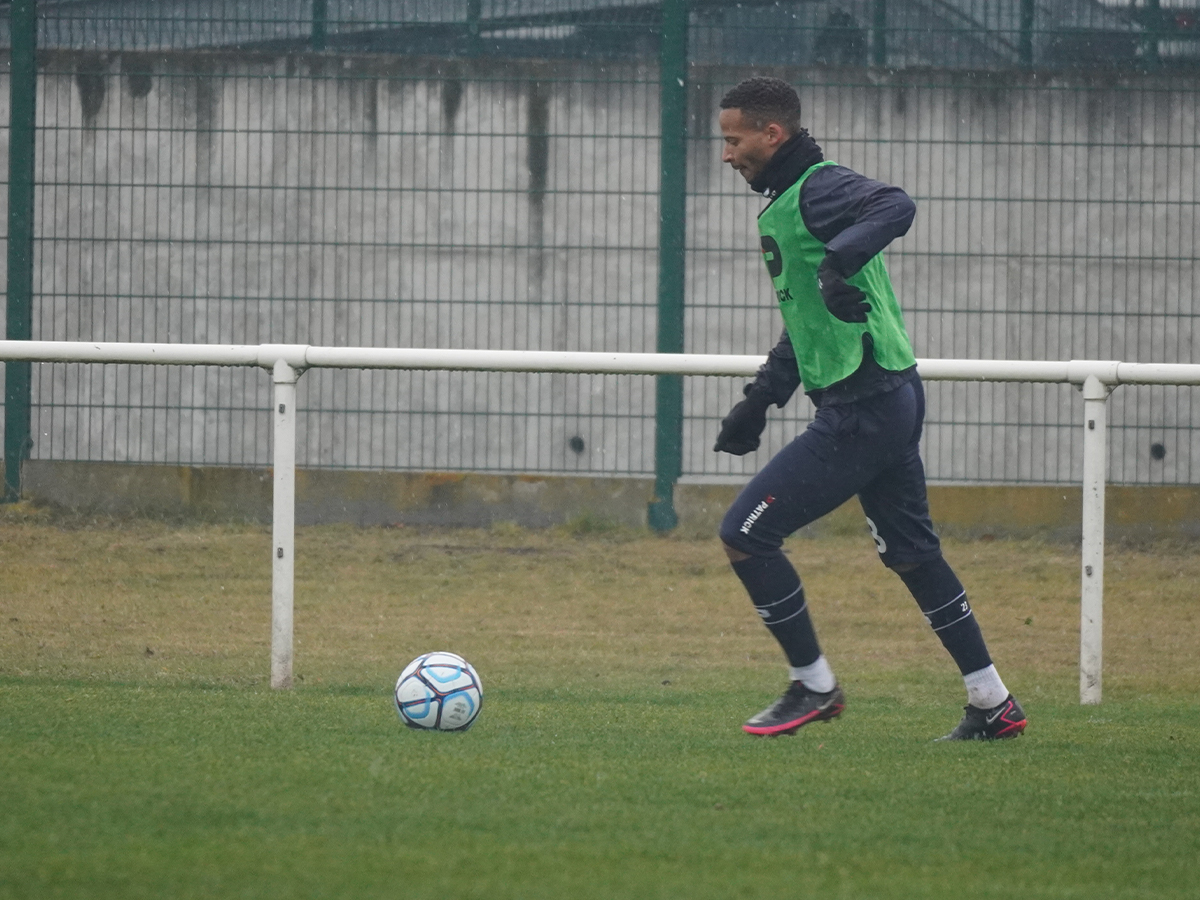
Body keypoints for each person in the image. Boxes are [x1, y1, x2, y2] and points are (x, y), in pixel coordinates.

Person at [713, 77, 1026, 742]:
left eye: (733, 140)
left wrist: (839, 262)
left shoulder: (820, 188)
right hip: (886, 397)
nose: (726, 153)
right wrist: (760, 399)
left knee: (746, 535)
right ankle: (993, 703)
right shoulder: (785, 205)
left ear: (772, 135)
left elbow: (896, 204)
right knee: (913, 555)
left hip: (865, 405)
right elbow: (807, 320)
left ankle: (814, 686)